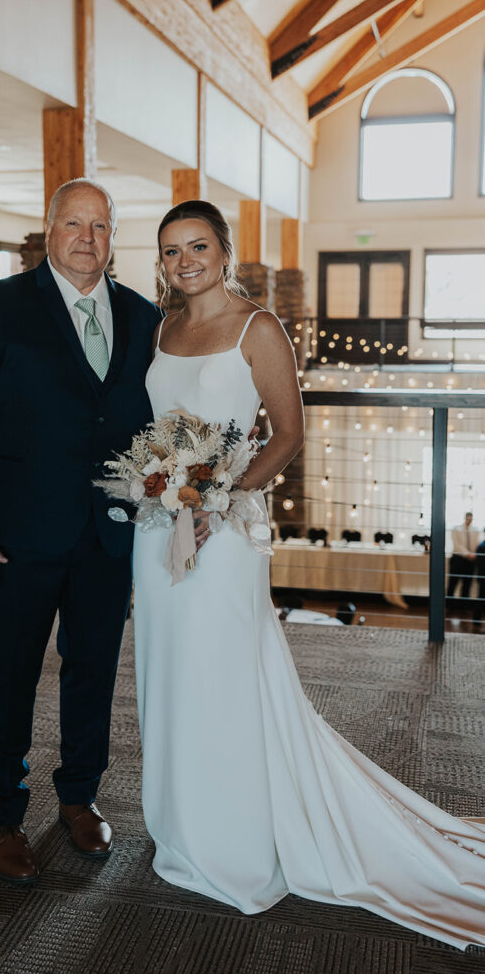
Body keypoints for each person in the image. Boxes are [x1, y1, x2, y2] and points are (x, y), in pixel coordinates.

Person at [132, 199, 485, 950]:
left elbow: (288, 434)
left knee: (224, 676)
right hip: (158, 528)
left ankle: (235, 840)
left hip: (222, 534)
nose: (183, 260)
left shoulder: (259, 328)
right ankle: (180, 824)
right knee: (168, 674)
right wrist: (160, 486)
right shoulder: (161, 329)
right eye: (169, 250)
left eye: (196, 246)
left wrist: (220, 499)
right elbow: (159, 429)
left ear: (224, 251)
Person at [0, 179, 160, 884]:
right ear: (48, 229)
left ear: (112, 236)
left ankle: (78, 796)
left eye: (100, 226)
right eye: (73, 223)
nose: (86, 238)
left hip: (108, 535)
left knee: (92, 668)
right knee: (9, 672)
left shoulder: (143, 316)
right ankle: (1, 811)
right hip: (17, 533)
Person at [447, 511, 480, 602]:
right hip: (458, 559)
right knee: (453, 583)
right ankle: (450, 605)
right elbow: (457, 545)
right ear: (465, 518)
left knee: (467, 584)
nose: (469, 520)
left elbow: (476, 543)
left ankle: (464, 606)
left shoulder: (475, 531)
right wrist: (467, 554)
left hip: (470, 561)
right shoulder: (456, 529)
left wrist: (474, 555)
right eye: (468, 518)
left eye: (471, 519)